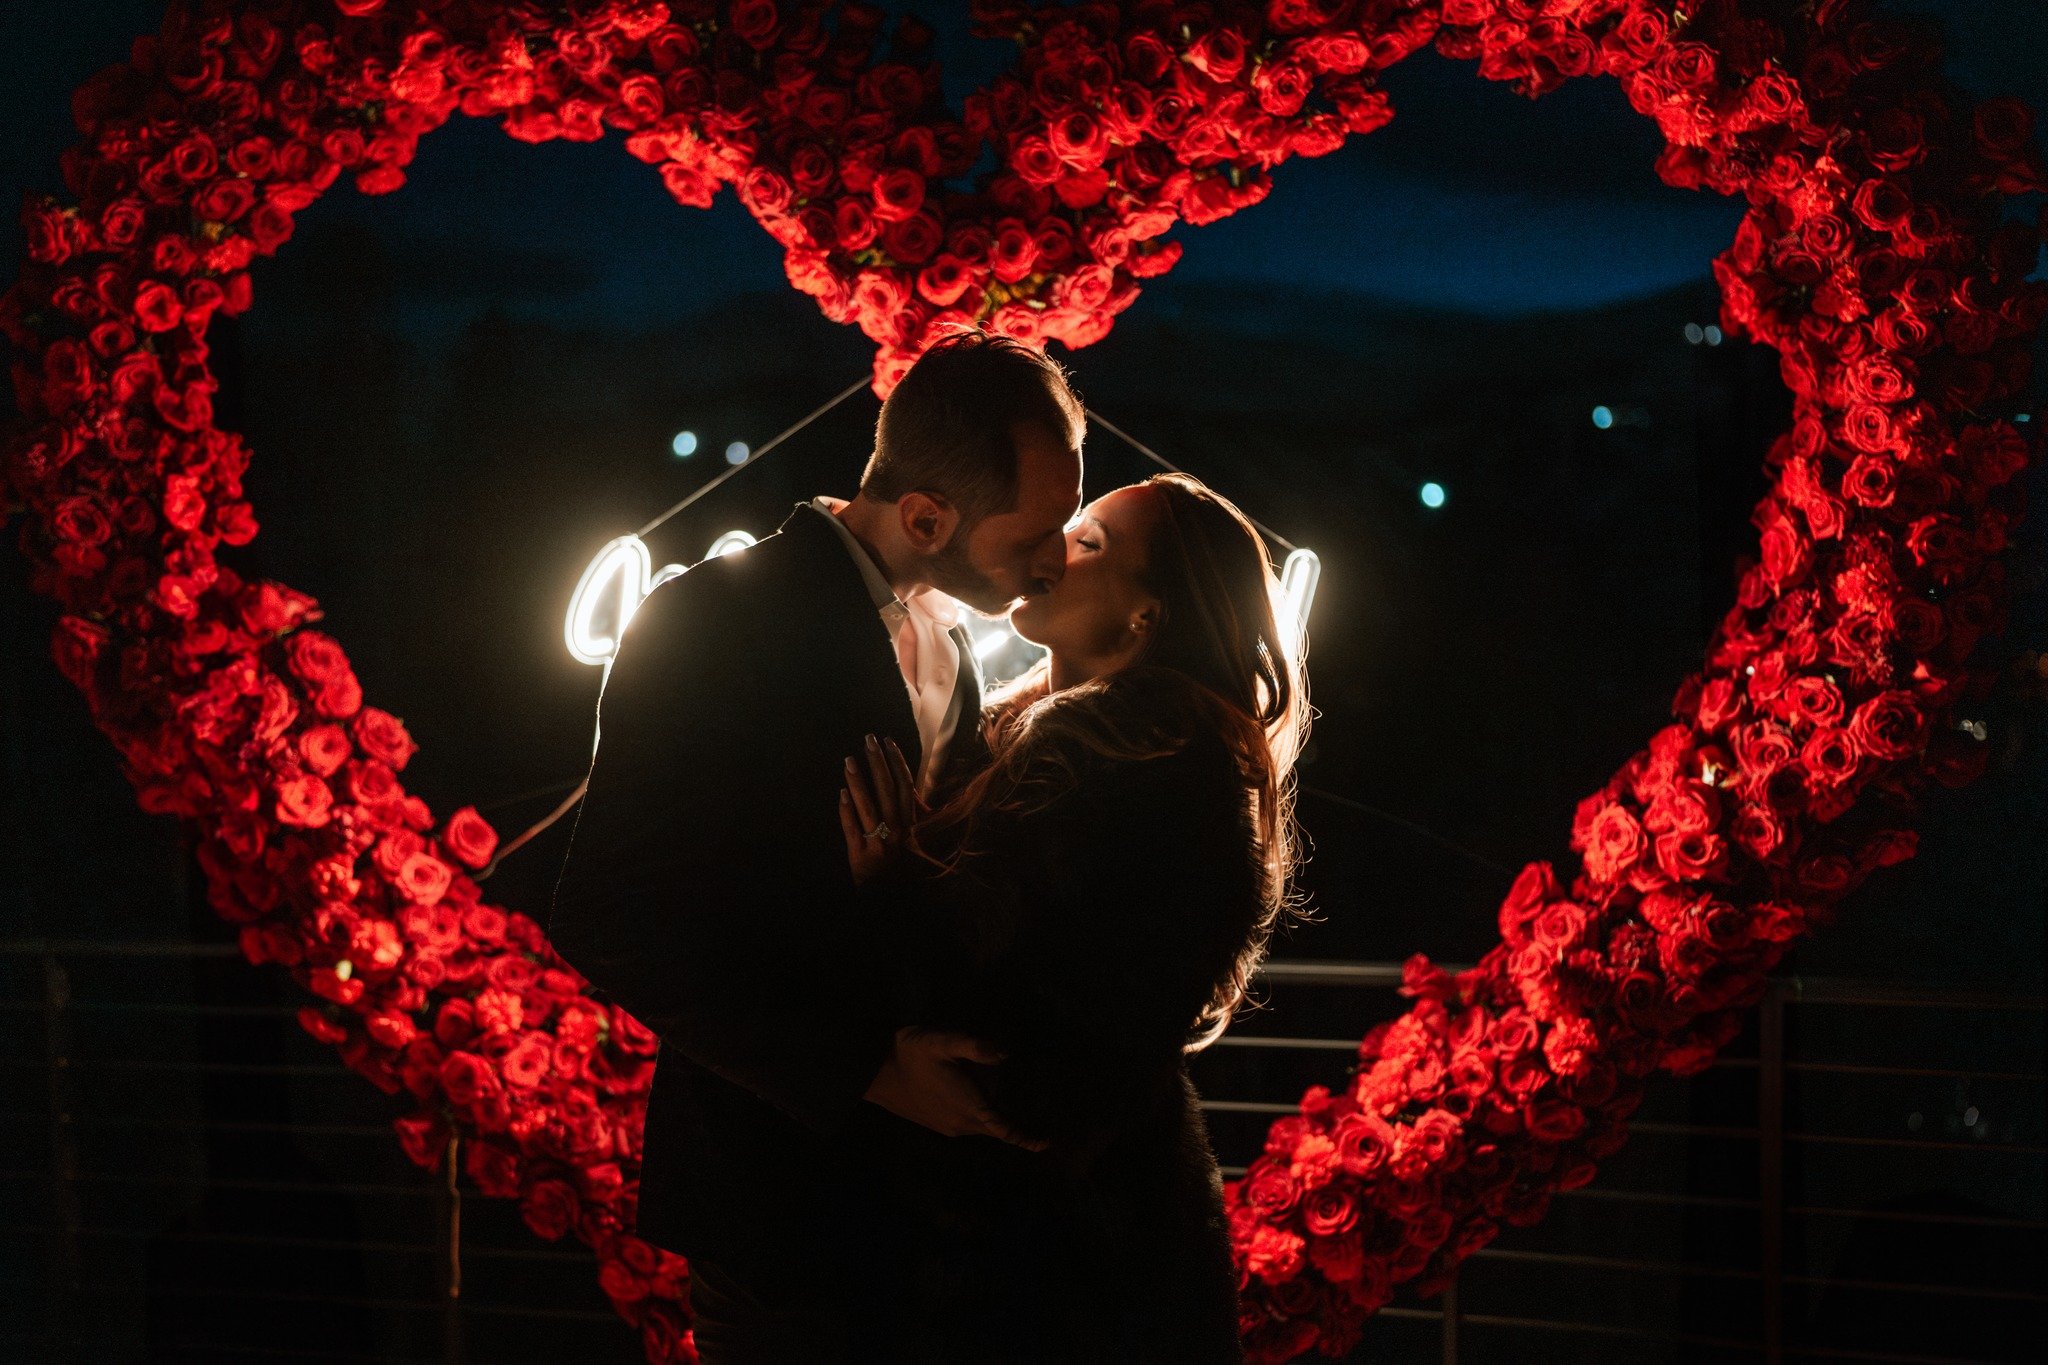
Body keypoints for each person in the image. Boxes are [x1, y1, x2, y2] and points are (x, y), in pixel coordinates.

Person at [545, 327, 1087, 1360]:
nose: (1051, 561)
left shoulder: (955, 636)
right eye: (1033, 536)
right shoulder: (708, 621)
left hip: (929, 1219)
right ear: (924, 516)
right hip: (780, 1206)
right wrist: (864, 1074)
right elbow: (606, 917)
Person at [836, 471, 1314, 1363]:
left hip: (1039, 1261)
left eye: (1089, 543)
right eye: (1064, 527)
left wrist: (888, 884)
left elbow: (999, 1001)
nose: (1053, 551)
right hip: (1097, 1234)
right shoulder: (1098, 743)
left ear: (1147, 617)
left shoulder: (1112, 763)